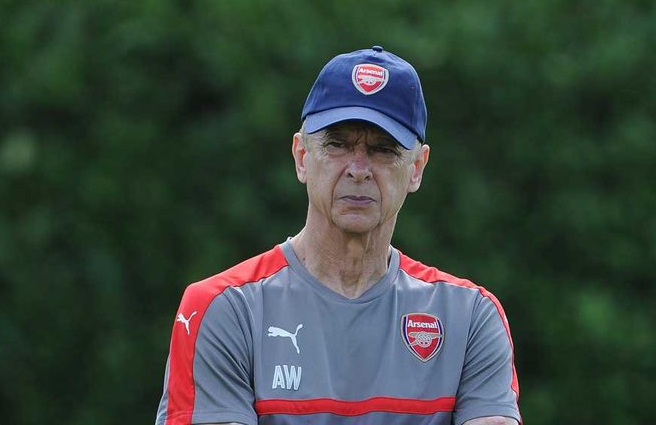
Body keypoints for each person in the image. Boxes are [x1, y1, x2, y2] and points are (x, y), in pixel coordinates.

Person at [155, 46, 521, 425]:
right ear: (301, 156)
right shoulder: (224, 309)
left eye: (382, 149)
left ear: (416, 168)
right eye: (337, 144)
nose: (358, 169)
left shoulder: (470, 317)